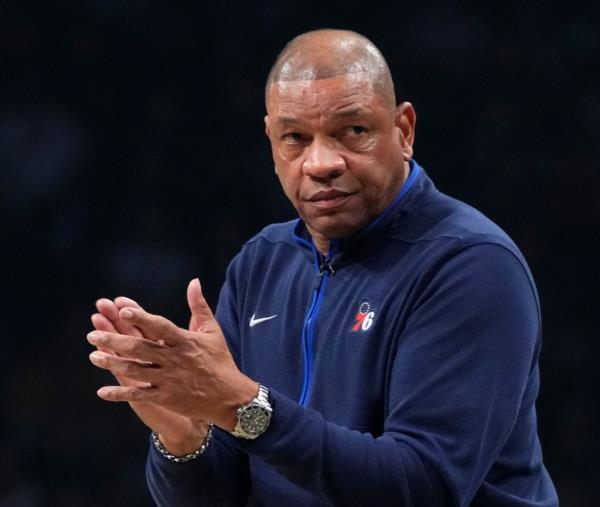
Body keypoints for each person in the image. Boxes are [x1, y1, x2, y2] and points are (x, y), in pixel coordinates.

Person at [88, 29, 558, 506]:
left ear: (404, 131)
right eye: (295, 138)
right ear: (272, 143)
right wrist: (183, 436)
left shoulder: (469, 265)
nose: (321, 162)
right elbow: (216, 495)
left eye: (352, 131)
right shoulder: (260, 264)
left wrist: (245, 406)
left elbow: (424, 488)